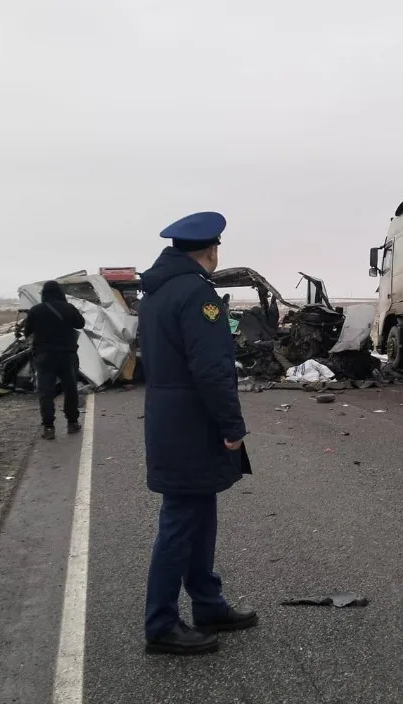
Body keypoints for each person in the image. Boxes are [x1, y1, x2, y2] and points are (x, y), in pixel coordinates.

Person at [138, 211, 256, 655]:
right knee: (181, 522)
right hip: (192, 422)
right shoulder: (196, 295)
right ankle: (161, 623)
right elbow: (212, 369)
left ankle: (208, 603)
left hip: (171, 416)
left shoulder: (157, 291)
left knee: (199, 514)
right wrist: (232, 427)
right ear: (211, 249)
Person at [23, 280, 85, 440]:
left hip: (44, 357)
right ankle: (72, 422)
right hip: (67, 355)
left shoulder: (36, 310)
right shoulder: (68, 308)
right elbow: (81, 323)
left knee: (46, 392)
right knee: (70, 390)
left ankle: (49, 427)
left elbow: (26, 332)